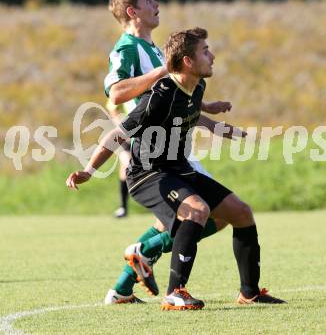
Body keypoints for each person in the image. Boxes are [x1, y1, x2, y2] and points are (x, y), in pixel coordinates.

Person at [67, 27, 286, 310]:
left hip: (179, 169)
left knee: (241, 212)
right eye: (205, 51)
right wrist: (88, 170)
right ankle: (175, 292)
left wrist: (226, 129)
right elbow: (117, 134)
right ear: (187, 61)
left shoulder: (197, 86)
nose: (212, 55)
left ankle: (250, 292)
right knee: (197, 210)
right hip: (148, 174)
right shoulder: (159, 96)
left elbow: (193, 115)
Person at [102, 0, 233, 303]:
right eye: (148, 0)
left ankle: (120, 290)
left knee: (172, 222)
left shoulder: (151, 48)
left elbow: (170, 93)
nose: (156, 3)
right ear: (133, 12)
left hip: (175, 148)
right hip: (156, 151)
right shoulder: (126, 48)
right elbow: (116, 92)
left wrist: (203, 109)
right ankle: (144, 253)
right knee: (218, 214)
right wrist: (161, 71)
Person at [106, 100, 131, 218]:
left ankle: (123, 207)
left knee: (124, 170)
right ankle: (123, 207)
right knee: (126, 166)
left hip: (144, 133)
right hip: (125, 133)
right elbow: (113, 110)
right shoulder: (122, 88)